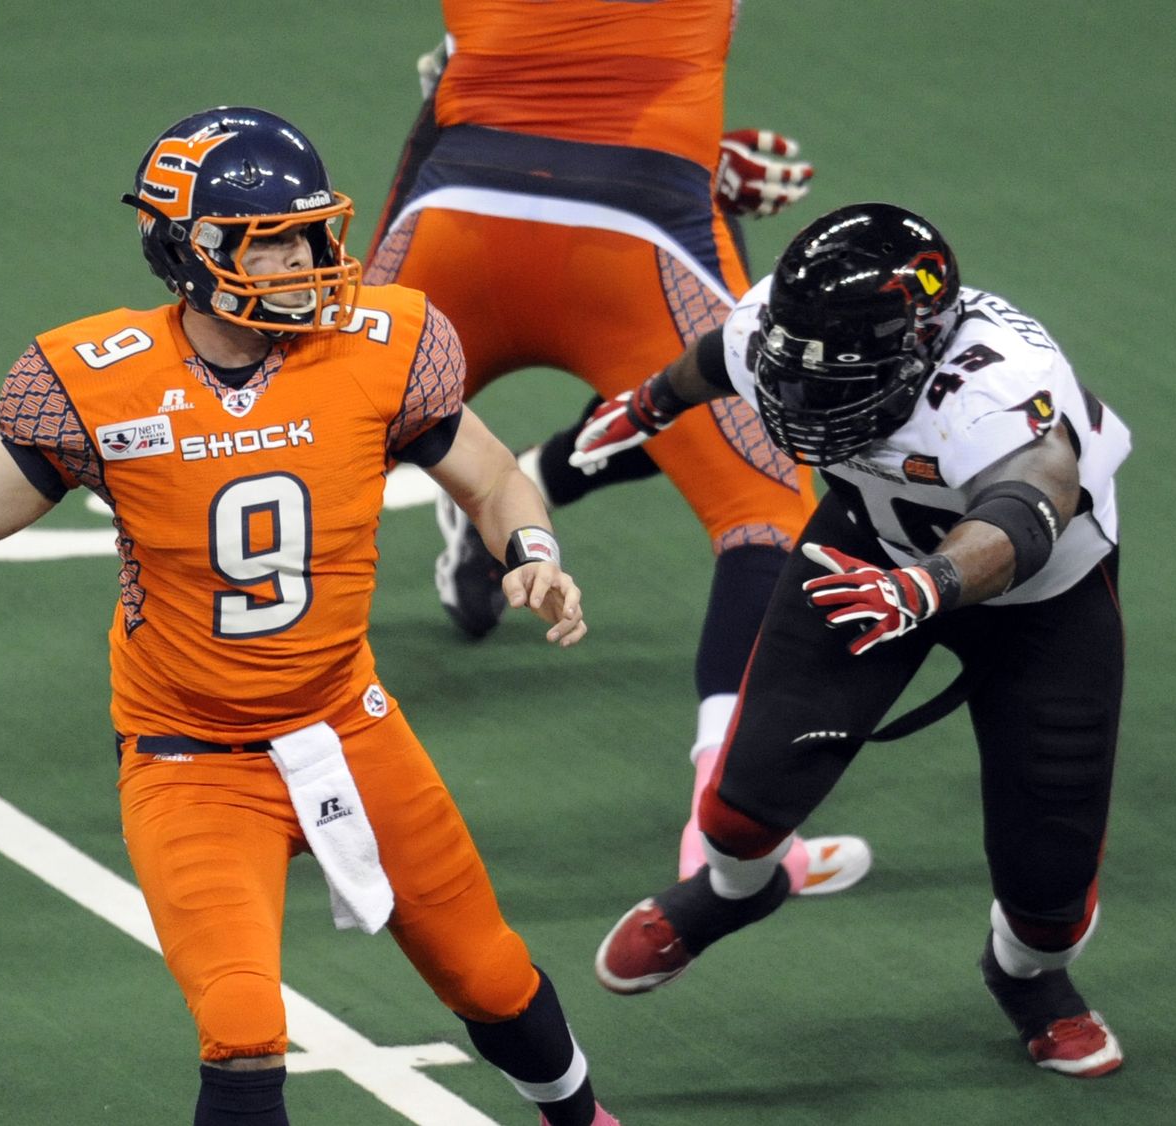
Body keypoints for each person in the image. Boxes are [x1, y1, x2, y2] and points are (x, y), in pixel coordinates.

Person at [0, 106, 622, 1126]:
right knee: (241, 1027)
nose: (304, 261)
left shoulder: (382, 345)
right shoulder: (100, 381)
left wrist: (533, 554)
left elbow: (495, 477)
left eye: (309, 235)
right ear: (185, 251)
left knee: (489, 975)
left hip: (350, 723)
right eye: (267, 241)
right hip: (191, 758)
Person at [574, 202, 1131, 1078]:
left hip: (1037, 600)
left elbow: (1031, 508)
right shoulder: (784, 329)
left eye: (836, 380)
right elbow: (720, 357)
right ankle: (733, 894)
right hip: (866, 553)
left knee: (1048, 891)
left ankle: (1030, 980)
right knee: (739, 809)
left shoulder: (998, 385)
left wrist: (925, 587)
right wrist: (650, 404)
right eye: (793, 371)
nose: (801, 399)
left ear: (922, 348)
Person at [363, 0, 868, 895]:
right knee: (763, 514)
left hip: (455, 222)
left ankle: (210, 740)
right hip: (637, 240)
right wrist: (696, 164)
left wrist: (366, 308)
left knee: (294, 450)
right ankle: (724, 833)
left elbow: (454, 95)